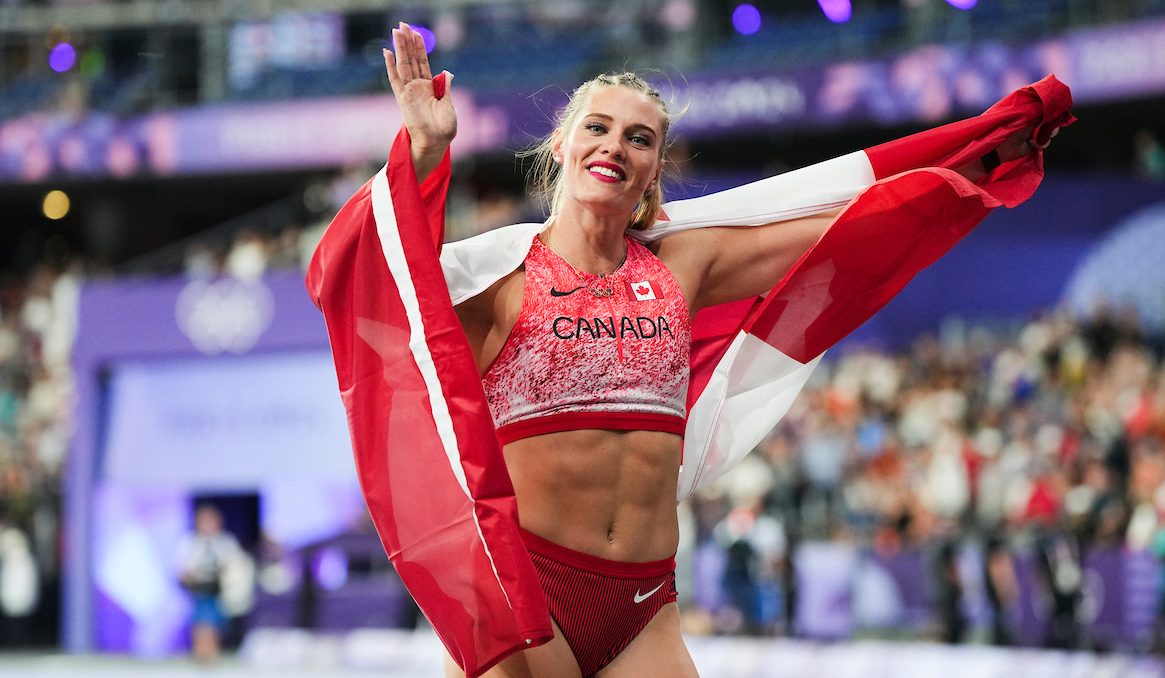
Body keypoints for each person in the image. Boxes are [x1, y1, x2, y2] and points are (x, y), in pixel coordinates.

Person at [309, 23, 1072, 678]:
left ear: (654, 171)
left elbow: (854, 222)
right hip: (524, 589)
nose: (616, 145)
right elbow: (378, 287)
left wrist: (978, 157)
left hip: (645, 603)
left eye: (640, 138)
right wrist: (421, 153)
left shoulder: (683, 265)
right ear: (562, 145)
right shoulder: (499, 280)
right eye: (598, 128)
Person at [176, 504, 247, 664]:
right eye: (203, 521)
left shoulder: (226, 542)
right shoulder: (190, 541)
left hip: (220, 590)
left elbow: (235, 566)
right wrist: (191, 579)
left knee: (215, 622)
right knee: (201, 620)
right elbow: (182, 567)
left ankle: (212, 653)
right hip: (198, 589)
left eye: (210, 521)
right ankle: (201, 653)